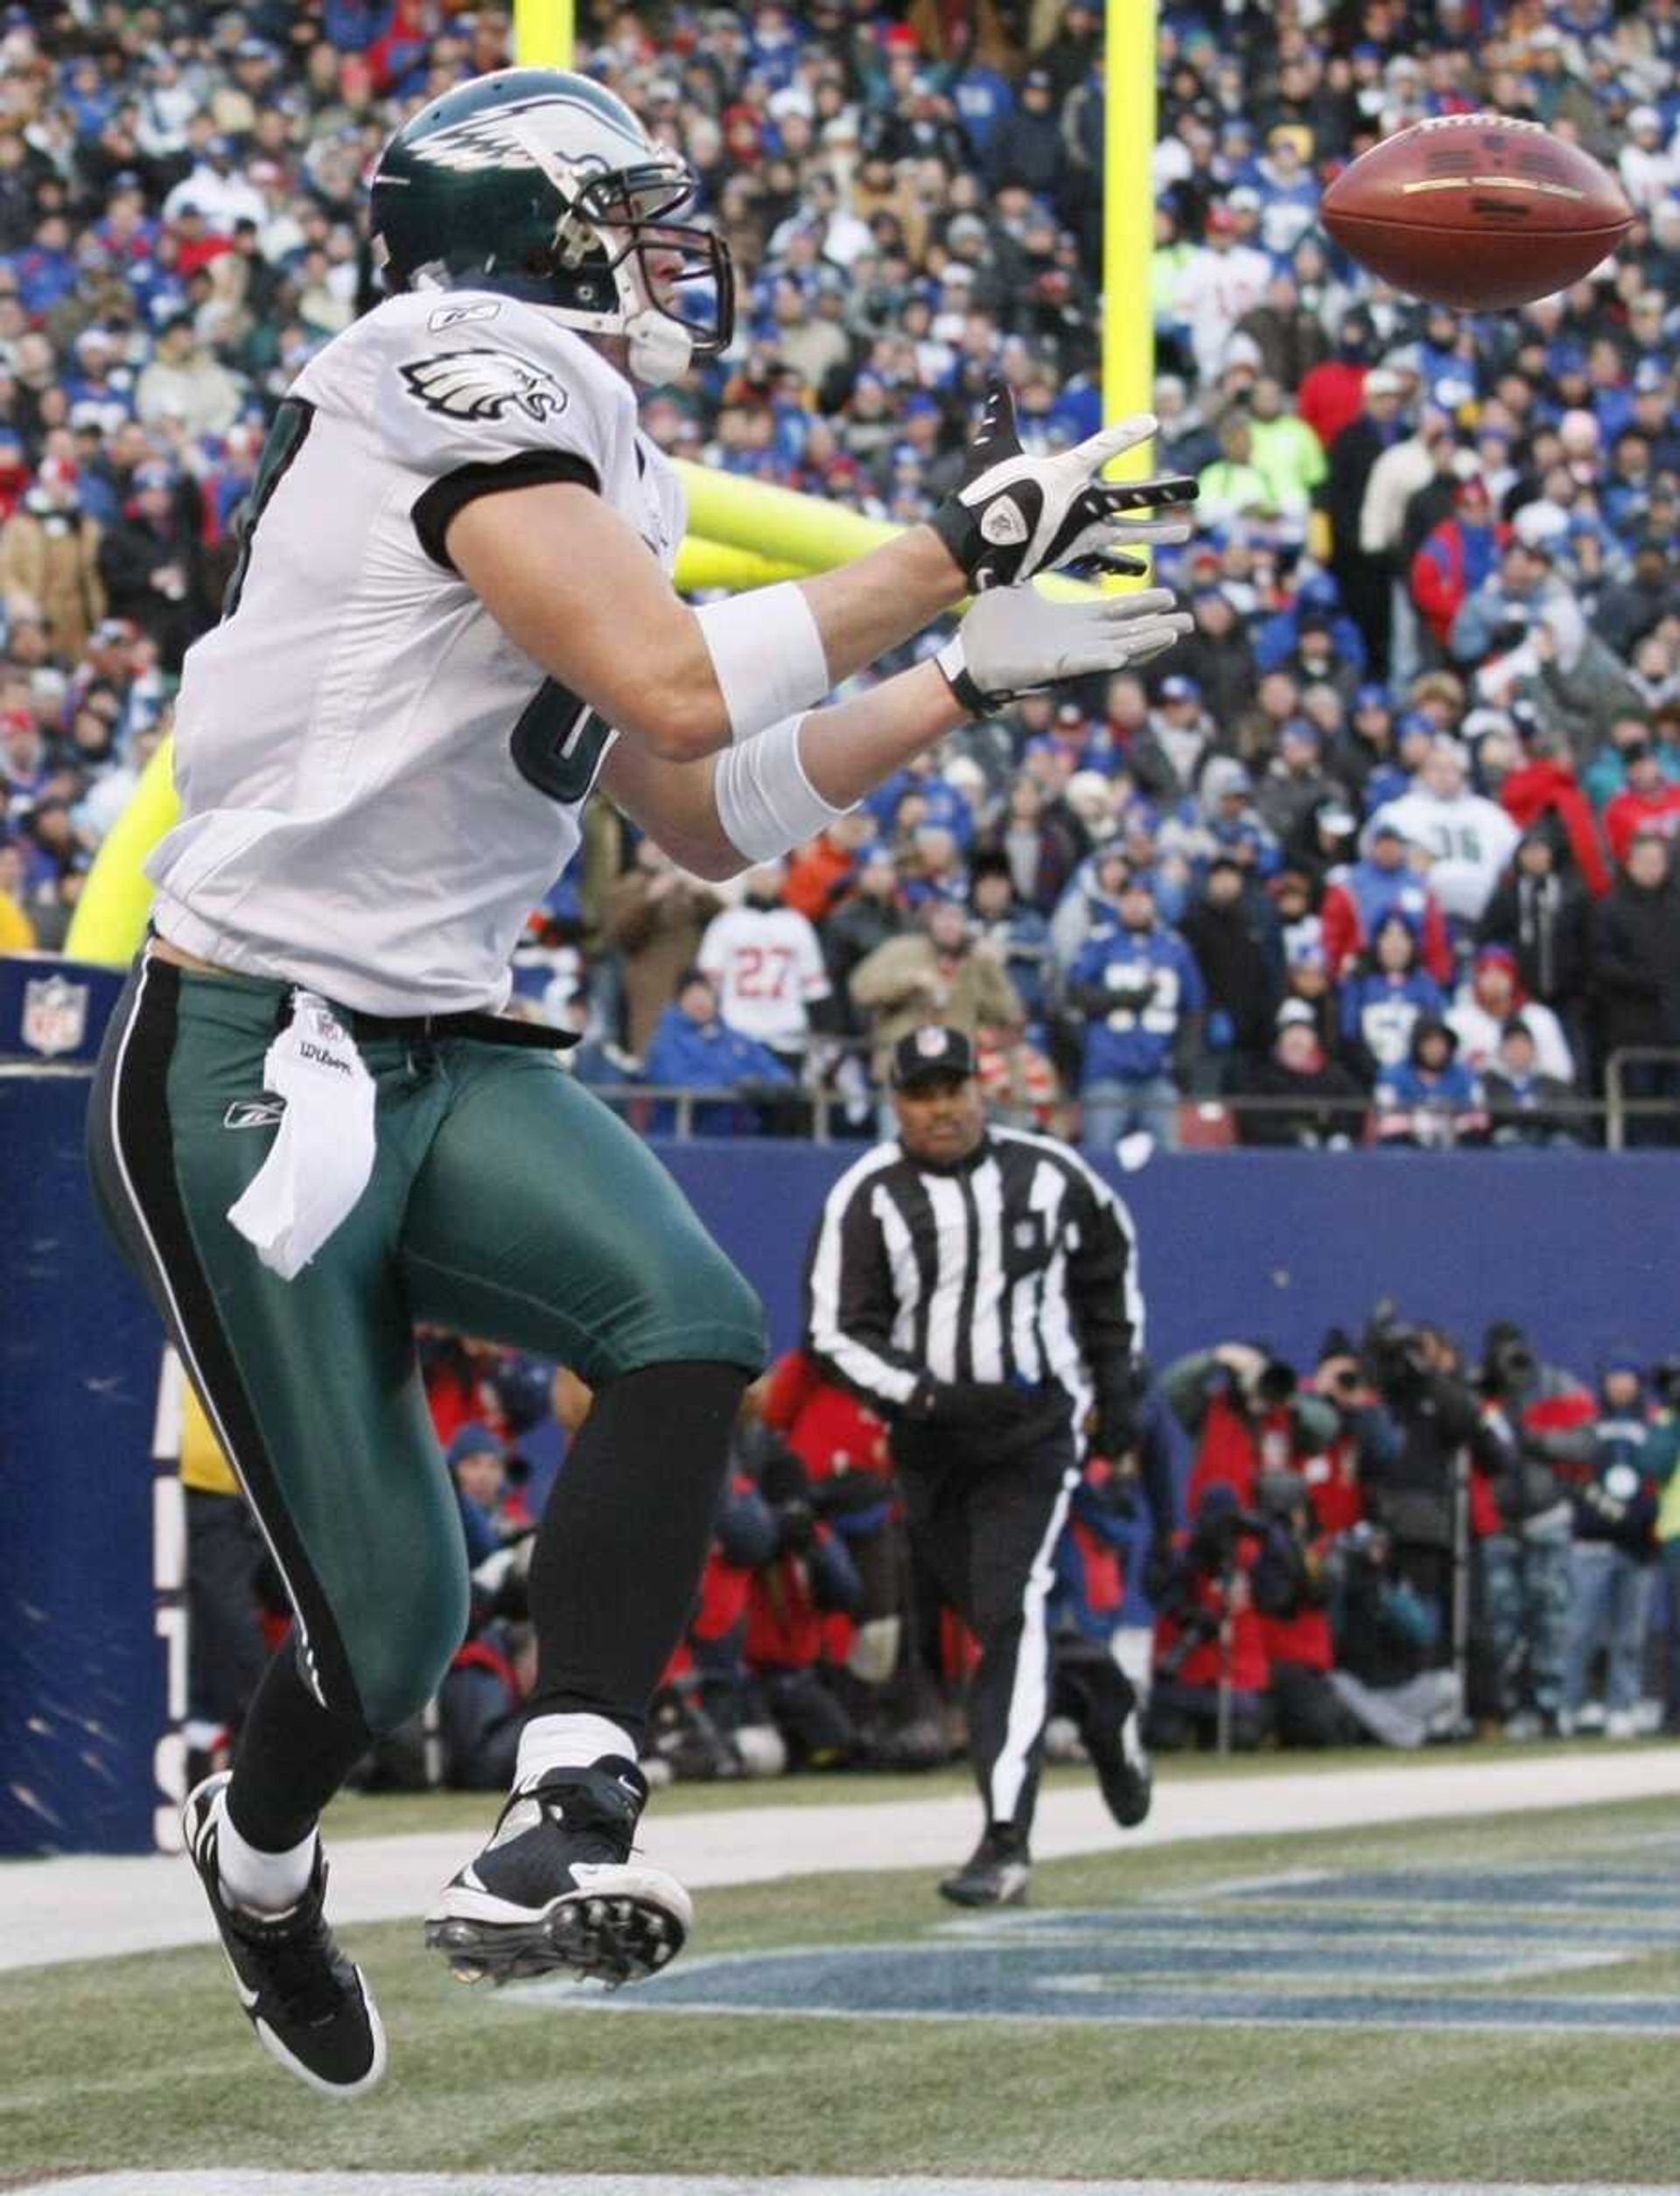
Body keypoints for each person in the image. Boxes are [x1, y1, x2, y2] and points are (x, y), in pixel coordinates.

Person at [84, 68, 1194, 2095]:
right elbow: (682, 681)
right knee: (389, 1626)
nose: (661, 246)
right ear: (522, 224)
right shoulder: (434, 365)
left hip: (439, 1034)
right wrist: (947, 549)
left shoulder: (603, 453)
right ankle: (256, 1860)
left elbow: (697, 806)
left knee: (682, 1320)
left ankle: (565, 1806)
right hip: (251, 1043)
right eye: (621, 209)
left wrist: (966, 675)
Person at [804, 1024, 1152, 1906]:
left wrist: (1118, 1387)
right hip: (933, 1440)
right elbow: (835, 1329)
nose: (943, 1107)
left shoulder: (1050, 1172)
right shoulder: (869, 1194)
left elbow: (1111, 1261)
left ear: (981, 1089)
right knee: (1000, 1610)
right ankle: (1100, 1694)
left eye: (954, 1087)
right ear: (897, 1103)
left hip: (1033, 1427)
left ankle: (1006, 1838)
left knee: (1006, 1612)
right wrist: (923, 1396)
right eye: (923, 1093)